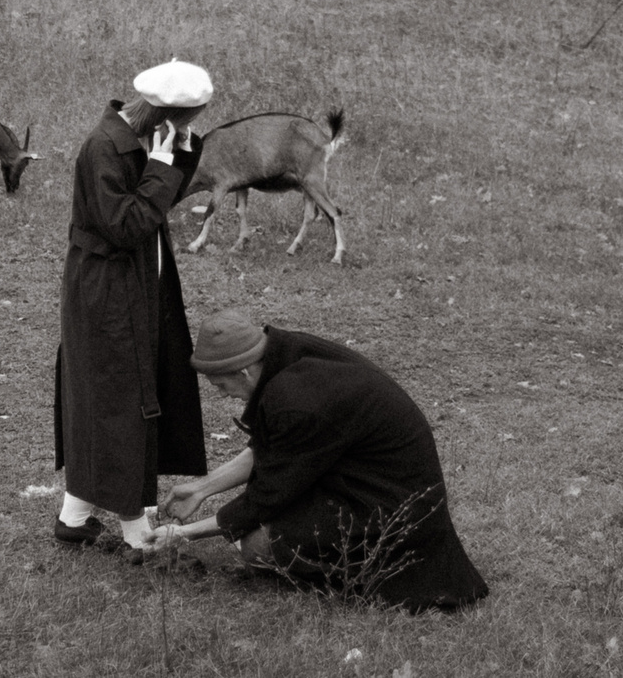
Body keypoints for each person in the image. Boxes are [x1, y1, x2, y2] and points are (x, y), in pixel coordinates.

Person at [155, 309, 490, 611]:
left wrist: (185, 534)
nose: (221, 394)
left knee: (257, 545)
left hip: (395, 514)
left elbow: (266, 498)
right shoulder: (285, 353)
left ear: (244, 371)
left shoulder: (298, 400)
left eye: (220, 384)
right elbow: (275, 448)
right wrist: (202, 489)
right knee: (262, 531)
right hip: (358, 481)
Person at [50, 58, 211, 548]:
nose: (189, 129)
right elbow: (125, 225)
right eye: (187, 123)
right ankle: (136, 531)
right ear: (165, 114)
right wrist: (161, 167)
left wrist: (177, 157)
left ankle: (73, 519)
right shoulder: (103, 148)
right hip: (108, 291)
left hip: (135, 284)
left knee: (117, 394)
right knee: (121, 399)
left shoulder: (141, 142)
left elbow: (156, 203)